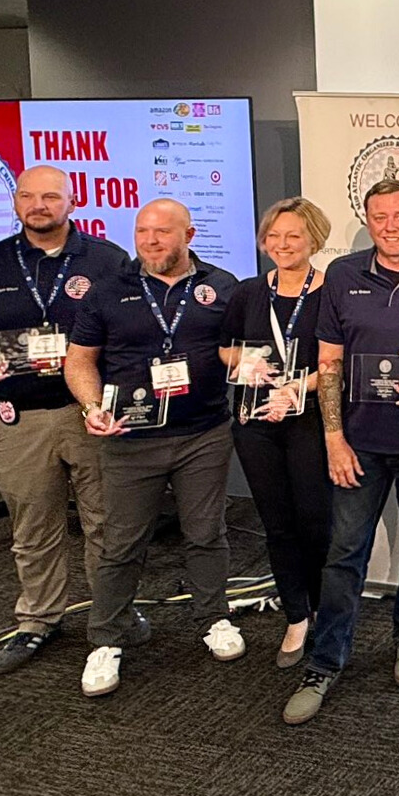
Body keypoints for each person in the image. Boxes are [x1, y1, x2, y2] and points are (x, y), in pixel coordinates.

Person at [282, 179, 399, 725]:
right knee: (345, 554)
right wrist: (333, 438)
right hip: (358, 443)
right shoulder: (343, 275)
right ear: (366, 221)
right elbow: (327, 363)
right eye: (379, 217)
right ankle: (325, 661)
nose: (391, 225)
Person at [0, 164, 127, 674]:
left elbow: (132, 323)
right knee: (33, 524)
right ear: (17, 203)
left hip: (88, 412)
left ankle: (112, 617)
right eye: (28, 196)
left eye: (50, 196)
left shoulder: (107, 260)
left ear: (71, 202)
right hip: (17, 416)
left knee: (105, 523)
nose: (38, 205)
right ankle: (39, 620)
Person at [64, 198, 243, 698]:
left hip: (203, 433)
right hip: (129, 438)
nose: (151, 241)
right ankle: (105, 638)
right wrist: (90, 405)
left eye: (163, 232)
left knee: (207, 533)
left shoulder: (221, 287)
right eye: (143, 231)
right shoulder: (108, 291)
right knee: (121, 542)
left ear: (188, 234)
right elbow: (79, 361)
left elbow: (239, 350)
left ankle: (215, 619)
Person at [218, 198, 333, 670]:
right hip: (256, 424)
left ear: (313, 240)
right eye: (275, 237)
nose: (283, 245)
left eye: (294, 236)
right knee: (277, 524)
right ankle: (295, 614)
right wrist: (244, 363)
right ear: (264, 242)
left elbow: (335, 362)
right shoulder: (248, 292)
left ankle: (326, 612)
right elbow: (224, 349)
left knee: (315, 521)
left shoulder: (330, 292)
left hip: (307, 421)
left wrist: (295, 387)